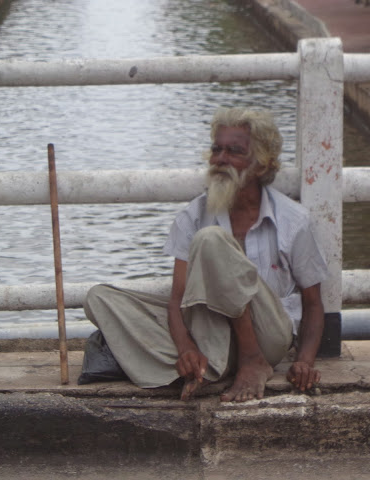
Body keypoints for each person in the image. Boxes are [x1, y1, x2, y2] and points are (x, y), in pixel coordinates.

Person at [84, 107, 328, 402]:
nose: (221, 160)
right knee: (100, 298)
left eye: (234, 151)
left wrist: (305, 361)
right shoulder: (194, 214)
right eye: (217, 150)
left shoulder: (293, 220)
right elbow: (178, 298)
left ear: (262, 165)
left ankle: (250, 361)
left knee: (211, 240)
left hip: (268, 339)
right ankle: (204, 367)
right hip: (209, 334)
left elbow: (313, 305)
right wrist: (186, 348)